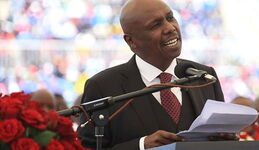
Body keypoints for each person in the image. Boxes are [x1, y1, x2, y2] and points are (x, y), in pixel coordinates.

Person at [78, 0, 235, 149]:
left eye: (170, 18)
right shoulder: (102, 86)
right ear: (131, 41)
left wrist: (227, 141)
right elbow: (87, 148)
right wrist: (141, 146)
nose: (170, 28)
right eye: (156, 25)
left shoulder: (205, 77)